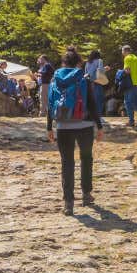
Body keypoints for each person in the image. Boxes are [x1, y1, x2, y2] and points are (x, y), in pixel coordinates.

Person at [46, 48, 105, 215]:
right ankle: (86, 195)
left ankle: (68, 203)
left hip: (63, 126)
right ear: (79, 63)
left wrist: (49, 127)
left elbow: (50, 104)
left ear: (63, 63)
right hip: (84, 125)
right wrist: (99, 126)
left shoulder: (55, 79)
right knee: (86, 159)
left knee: (67, 163)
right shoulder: (83, 78)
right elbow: (92, 104)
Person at [121, 45, 137, 128]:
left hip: (130, 83)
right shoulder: (136, 58)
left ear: (125, 51)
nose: (122, 53)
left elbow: (127, 71)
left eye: (122, 51)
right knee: (136, 103)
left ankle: (131, 121)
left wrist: (120, 73)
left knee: (128, 102)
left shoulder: (127, 58)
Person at [84, 50, 106, 120]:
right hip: (97, 82)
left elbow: (86, 73)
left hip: (89, 83)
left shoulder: (87, 62)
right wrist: (106, 69)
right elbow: (101, 71)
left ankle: (90, 116)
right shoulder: (99, 61)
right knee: (99, 100)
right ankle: (98, 117)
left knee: (90, 100)